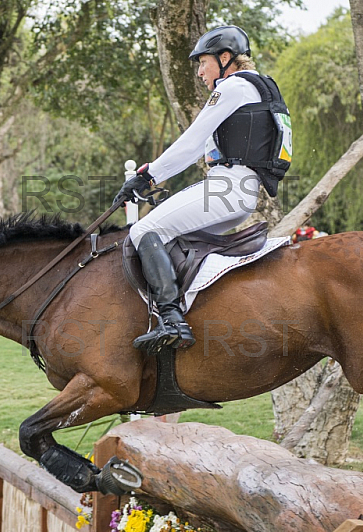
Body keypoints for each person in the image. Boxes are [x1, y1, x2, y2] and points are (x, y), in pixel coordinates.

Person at [112, 25, 290, 352]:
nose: (199, 72)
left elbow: (192, 143)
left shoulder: (234, 86)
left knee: (143, 230)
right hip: (237, 193)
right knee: (171, 238)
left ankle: (172, 320)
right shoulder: (259, 87)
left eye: (202, 63)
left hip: (226, 189)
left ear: (225, 58)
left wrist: (148, 176)